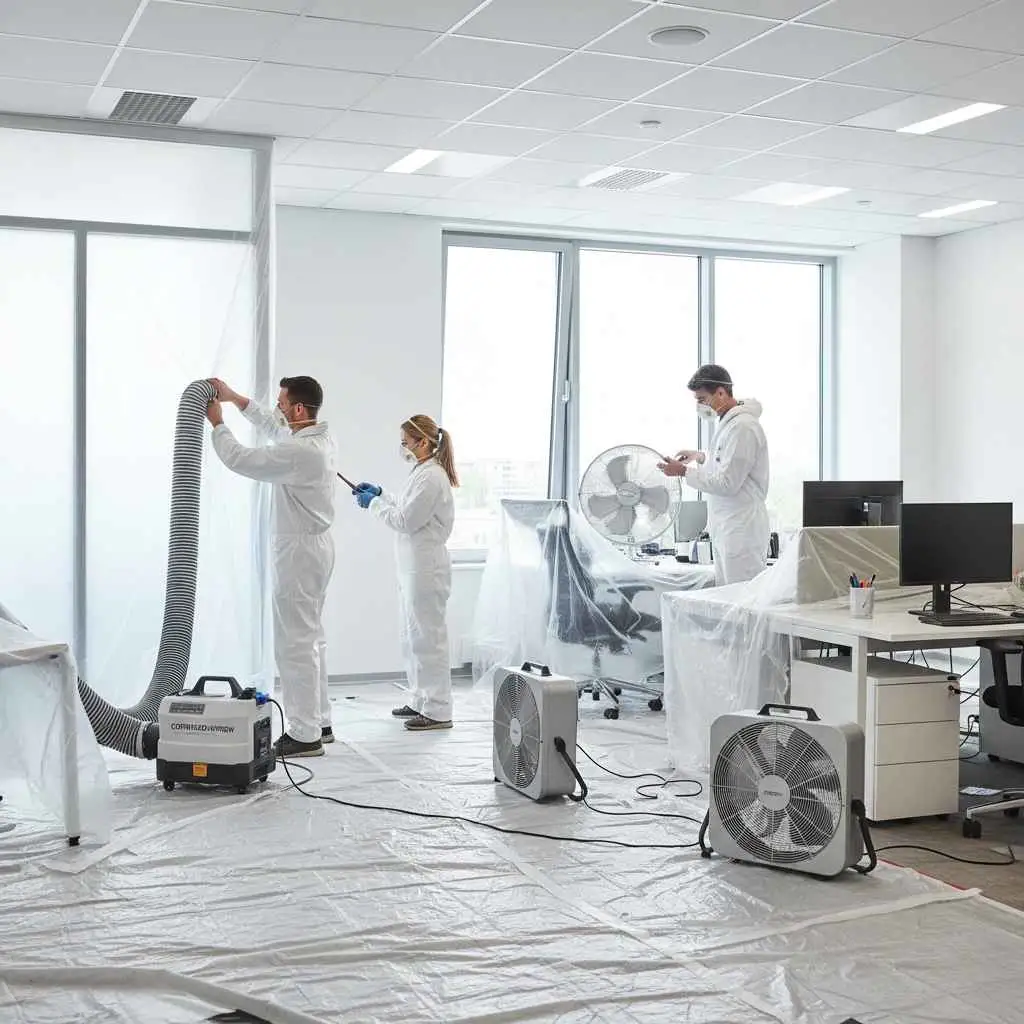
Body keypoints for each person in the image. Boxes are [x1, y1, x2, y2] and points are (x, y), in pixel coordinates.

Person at [206, 375, 336, 758]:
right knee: (311, 638)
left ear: (299, 409)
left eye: (282, 403)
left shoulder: (302, 453)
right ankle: (320, 721)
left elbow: (241, 459)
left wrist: (218, 423)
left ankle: (304, 734)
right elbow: (273, 425)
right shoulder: (318, 438)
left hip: (298, 553)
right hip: (315, 548)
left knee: (294, 643)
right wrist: (233, 398)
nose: (278, 409)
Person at [352, 415, 457, 732]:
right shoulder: (422, 473)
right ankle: (420, 699)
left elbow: (406, 520)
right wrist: (382, 494)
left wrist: (373, 505)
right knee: (413, 637)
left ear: (423, 442)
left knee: (428, 639)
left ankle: (438, 710)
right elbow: (406, 506)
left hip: (426, 569)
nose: (402, 448)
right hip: (413, 568)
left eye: (405, 442)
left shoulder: (432, 478)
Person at [658, 364, 769, 586]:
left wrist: (683, 472)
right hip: (728, 527)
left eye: (702, 399)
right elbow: (726, 462)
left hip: (741, 529)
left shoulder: (743, 428)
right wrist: (701, 457)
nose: (700, 406)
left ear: (720, 392)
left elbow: (728, 483)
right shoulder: (731, 424)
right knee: (728, 598)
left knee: (740, 602)